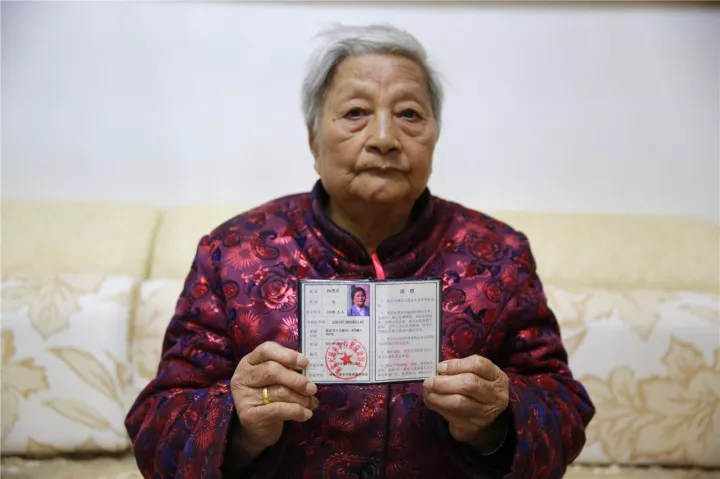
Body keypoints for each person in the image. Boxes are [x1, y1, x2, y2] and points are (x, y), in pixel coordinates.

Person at [126, 24, 594, 479]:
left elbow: (564, 407)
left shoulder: (497, 255)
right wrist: (240, 424)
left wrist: (496, 421)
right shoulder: (233, 253)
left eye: (409, 114)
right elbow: (157, 424)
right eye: (355, 112)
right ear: (313, 140)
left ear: (435, 136)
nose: (384, 138)